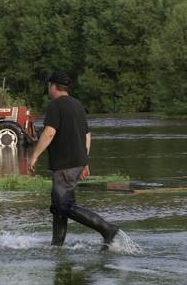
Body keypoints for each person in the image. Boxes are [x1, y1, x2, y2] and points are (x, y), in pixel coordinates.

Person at [27, 72, 119, 251]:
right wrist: (84, 161)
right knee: (58, 205)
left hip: (65, 164)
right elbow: (87, 135)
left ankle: (107, 229)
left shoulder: (56, 106)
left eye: (49, 86)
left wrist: (35, 155)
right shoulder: (77, 105)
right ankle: (57, 245)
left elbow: (49, 132)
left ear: (53, 86)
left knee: (64, 205)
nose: (48, 89)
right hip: (75, 163)